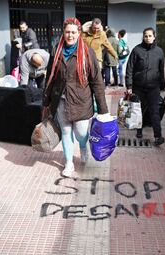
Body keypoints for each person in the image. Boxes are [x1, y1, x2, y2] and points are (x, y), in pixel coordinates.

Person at [43, 17, 109, 177]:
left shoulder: (87, 53)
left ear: (79, 33)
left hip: (81, 101)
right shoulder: (55, 51)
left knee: (81, 133)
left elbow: (97, 82)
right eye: (67, 32)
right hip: (61, 101)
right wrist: (46, 102)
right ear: (63, 33)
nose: (70, 35)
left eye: (73, 32)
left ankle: (83, 146)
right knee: (66, 132)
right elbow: (49, 78)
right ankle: (69, 163)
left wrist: (103, 109)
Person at [126, 27, 165, 146]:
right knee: (140, 111)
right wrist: (129, 85)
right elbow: (130, 68)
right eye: (146, 36)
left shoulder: (159, 51)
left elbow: (161, 70)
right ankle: (139, 130)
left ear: (154, 37)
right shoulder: (136, 50)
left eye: (150, 36)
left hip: (153, 88)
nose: (148, 38)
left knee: (155, 112)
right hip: (139, 87)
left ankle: (158, 136)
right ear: (143, 37)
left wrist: (162, 84)